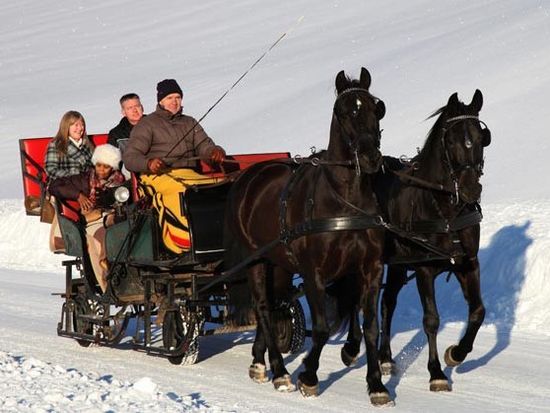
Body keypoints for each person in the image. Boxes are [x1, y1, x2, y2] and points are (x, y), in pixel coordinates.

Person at [123, 78, 226, 254]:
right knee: (180, 190)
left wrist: (214, 152)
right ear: (161, 101)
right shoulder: (147, 124)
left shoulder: (190, 122)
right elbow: (130, 158)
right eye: (170, 97)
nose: (174, 101)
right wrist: (149, 163)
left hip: (188, 173)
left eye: (178, 97)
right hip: (157, 176)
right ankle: (185, 240)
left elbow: (204, 145)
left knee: (219, 185)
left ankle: (221, 235)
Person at [49, 144, 126, 292]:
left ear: (113, 168)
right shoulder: (84, 179)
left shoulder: (120, 182)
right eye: (99, 165)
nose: (101, 170)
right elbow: (55, 185)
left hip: (115, 216)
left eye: (106, 167)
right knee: (100, 239)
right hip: (93, 220)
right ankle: (106, 281)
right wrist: (79, 196)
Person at [44, 110, 94, 180]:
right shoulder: (56, 145)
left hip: (88, 185)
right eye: (76, 125)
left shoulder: (88, 144)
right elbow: (50, 169)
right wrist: (73, 176)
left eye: (82, 125)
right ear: (66, 127)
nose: (80, 128)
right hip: (65, 185)